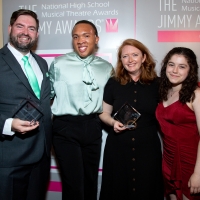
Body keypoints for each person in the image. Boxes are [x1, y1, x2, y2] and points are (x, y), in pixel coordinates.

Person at [49, 20, 113, 200]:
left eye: (86, 35)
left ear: (96, 38)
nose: (80, 40)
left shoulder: (107, 68)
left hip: (93, 125)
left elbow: (112, 100)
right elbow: (48, 97)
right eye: (76, 37)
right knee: (74, 185)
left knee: (90, 182)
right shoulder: (58, 64)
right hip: (65, 127)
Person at [99, 38, 163, 200]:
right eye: (125, 56)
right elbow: (103, 113)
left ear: (144, 57)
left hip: (148, 149)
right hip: (118, 149)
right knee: (118, 190)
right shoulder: (113, 83)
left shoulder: (158, 84)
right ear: (120, 60)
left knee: (147, 189)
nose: (130, 60)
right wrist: (113, 122)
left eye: (135, 55)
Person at [0, 9, 52, 200]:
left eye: (31, 28)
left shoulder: (42, 63)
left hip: (41, 156)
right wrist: (7, 125)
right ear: (10, 28)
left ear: (37, 34)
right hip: (9, 159)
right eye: (20, 26)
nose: (25, 32)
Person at [156, 47, 200, 200]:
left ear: (190, 70)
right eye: (171, 64)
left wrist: (198, 173)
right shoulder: (164, 91)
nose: (175, 70)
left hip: (190, 162)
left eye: (182, 66)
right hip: (168, 159)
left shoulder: (196, 94)